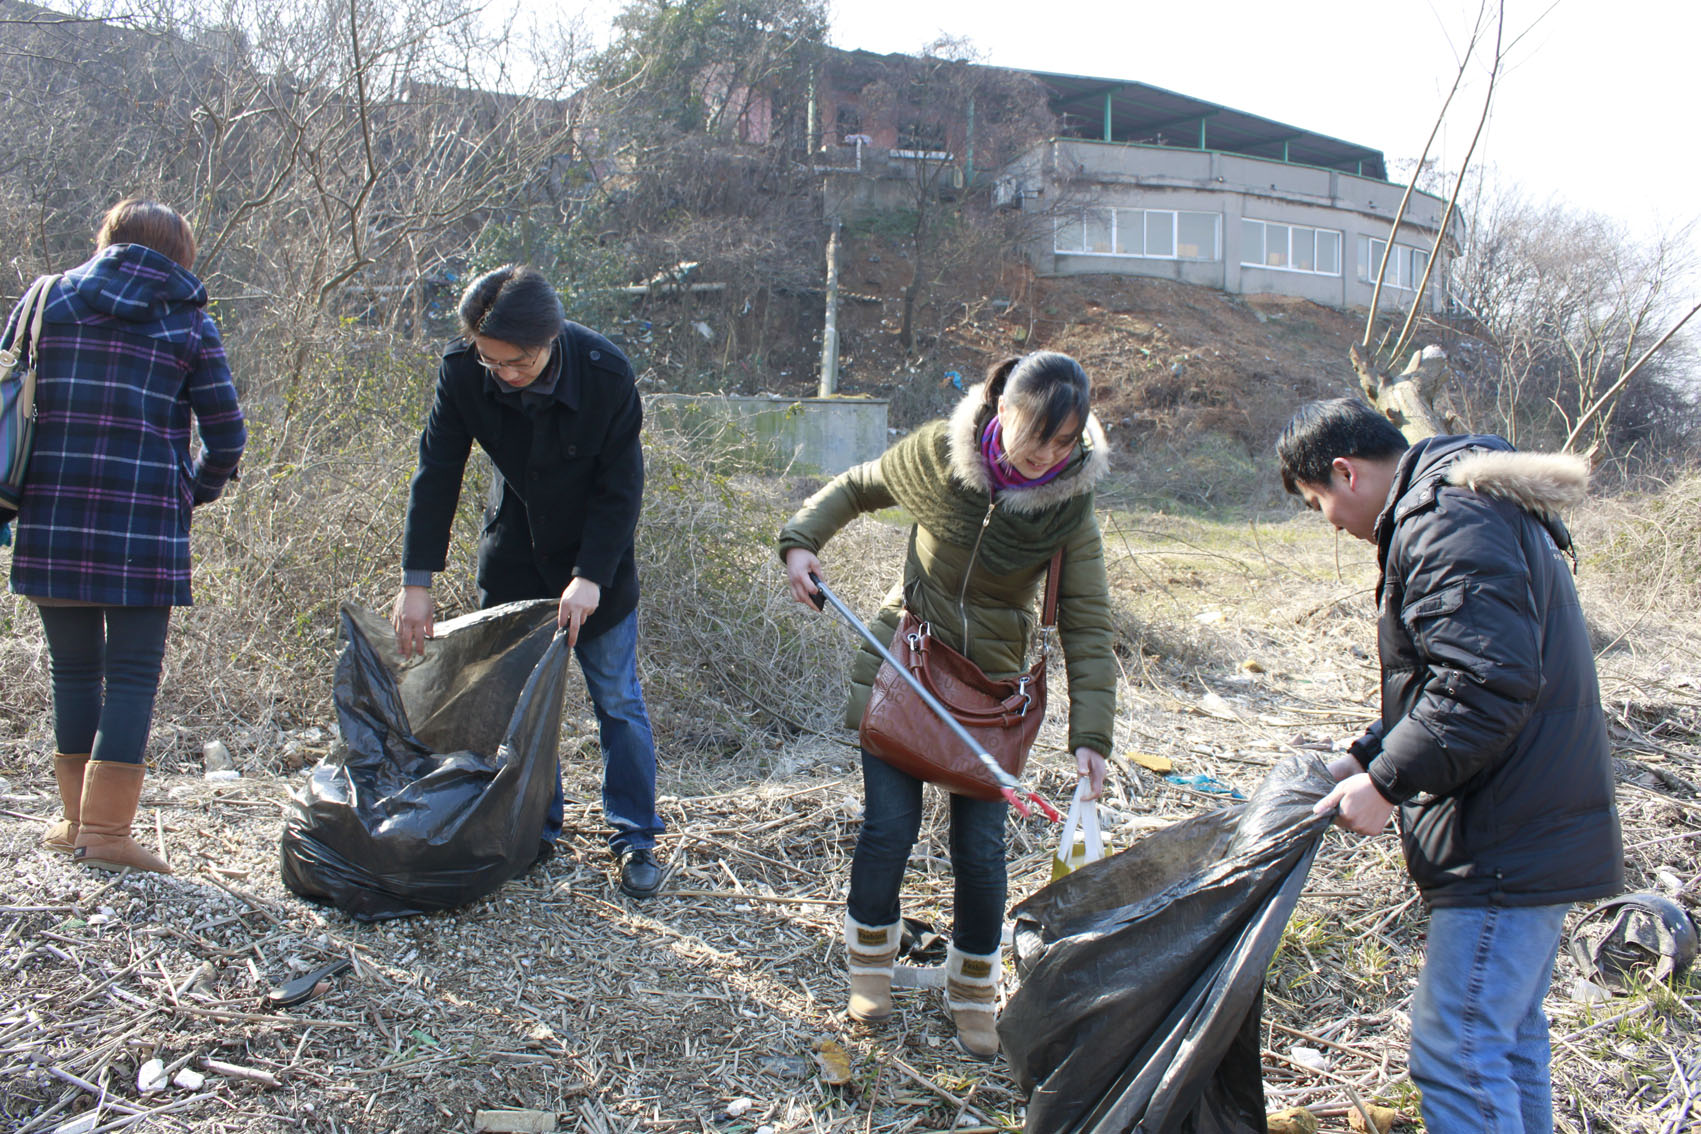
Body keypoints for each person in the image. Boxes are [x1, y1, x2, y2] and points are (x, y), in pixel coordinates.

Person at [1277, 398, 1622, 1134]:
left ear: (1344, 473)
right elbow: (1450, 679)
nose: (1329, 523)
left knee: (1456, 1053)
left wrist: (1386, 784)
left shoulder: (1442, 518)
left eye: (1316, 503)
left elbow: (1483, 687)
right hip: (1529, 821)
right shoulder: (1464, 503)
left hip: (1502, 837)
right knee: (1505, 1041)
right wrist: (1362, 756)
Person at [779, 352, 1116, 1060]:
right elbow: (859, 485)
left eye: (1064, 442)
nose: (1046, 456)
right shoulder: (939, 455)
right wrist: (801, 542)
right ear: (1002, 411)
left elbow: (1087, 622)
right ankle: (869, 969)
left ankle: (972, 993)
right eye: (1036, 435)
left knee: (980, 853)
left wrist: (1091, 735)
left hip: (991, 697)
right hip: (907, 668)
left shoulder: (1068, 504)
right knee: (887, 830)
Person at [392, 264, 666, 899]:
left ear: (549, 340)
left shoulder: (605, 373)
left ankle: (635, 836)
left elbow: (621, 489)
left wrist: (590, 576)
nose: (504, 374)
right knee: (518, 706)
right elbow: (437, 471)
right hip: (514, 557)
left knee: (617, 700)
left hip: (597, 566)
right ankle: (536, 827)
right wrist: (417, 580)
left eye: (516, 362)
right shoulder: (464, 371)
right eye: (491, 361)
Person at [9, 199, 246, 874]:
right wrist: (193, 489)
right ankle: (107, 836)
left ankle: (73, 824)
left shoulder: (46, 300)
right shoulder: (189, 321)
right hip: (144, 524)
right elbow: (227, 436)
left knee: (73, 672)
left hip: (51, 514)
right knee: (133, 676)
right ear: (181, 256)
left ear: (106, 239)